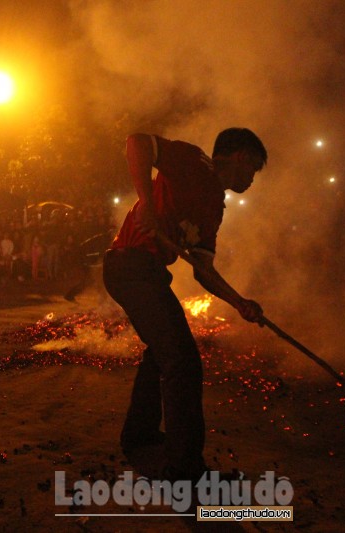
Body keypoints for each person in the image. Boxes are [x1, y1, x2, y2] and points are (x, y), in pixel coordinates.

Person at [103, 128, 268, 482]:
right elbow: (136, 142)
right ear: (239, 157)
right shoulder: (194, 163)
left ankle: (140, 436)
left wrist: (239, 302)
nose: (252, 179)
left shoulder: (215, 208)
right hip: (129, 264)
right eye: (253, 169)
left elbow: (202, 270)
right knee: (183, 362)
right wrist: (146, 203)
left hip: (147, 271)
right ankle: (185, 469)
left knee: (162, 354)